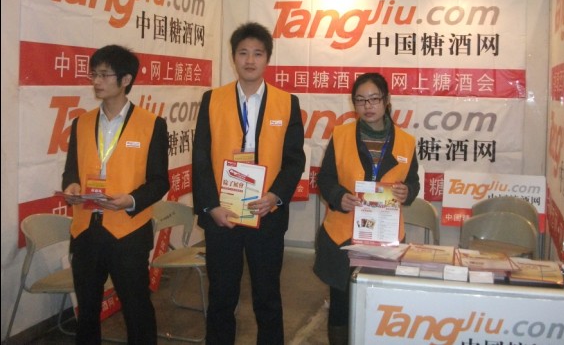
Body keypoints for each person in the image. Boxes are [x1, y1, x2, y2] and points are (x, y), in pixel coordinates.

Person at [192, 21, 306, 345]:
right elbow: (200, 157)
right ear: (233, 58)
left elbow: (294, 160)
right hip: (223, 215)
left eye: (258, 53)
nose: (250, 60)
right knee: (221, 297)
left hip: (266, 213)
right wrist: (211, 206)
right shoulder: (212, 99)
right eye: (243, 53)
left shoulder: (287, 102)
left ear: (267, 58)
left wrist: (275, 196)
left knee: (267, 298)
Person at [61, 45, 169, 345]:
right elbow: (71, 171)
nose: (96, 81)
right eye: (93, 74)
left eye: (104, 75)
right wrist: (71, 186)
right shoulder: (81, 123)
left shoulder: (152, 124)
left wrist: (130, 200)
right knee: (87, 313)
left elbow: (160, 182)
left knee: (137, 309)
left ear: (126, 80)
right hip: (86, 231)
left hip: (128, 232)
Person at [313, 72, 420, 345]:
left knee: (379, 306)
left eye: (374, 99)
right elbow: (325, 179)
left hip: (385, 238)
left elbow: (413, 182)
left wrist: (407, 192)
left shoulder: (406, 141)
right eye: (360, 100)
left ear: (386, 100)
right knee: (341, 304)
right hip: (343, 236)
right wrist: (338, 196)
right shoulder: (341, 135)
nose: (368, 106)